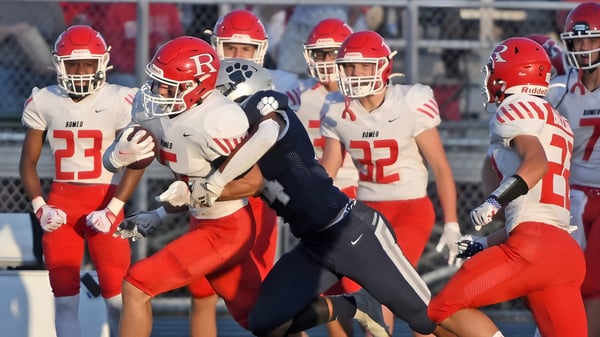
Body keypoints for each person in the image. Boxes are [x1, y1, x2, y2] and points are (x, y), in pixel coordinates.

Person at [102, 36, 266, 337]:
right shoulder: (162, 110)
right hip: (203, 223)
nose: (156, 92)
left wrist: (195, 193)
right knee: (262, 318)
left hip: (227, 230)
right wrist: (158, 214)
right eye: (155, 81)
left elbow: (254, 182)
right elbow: (188, 182)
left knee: (137, 284)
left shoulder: (216, 119)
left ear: (198, 86)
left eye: (166, 85)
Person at [427, 36, 587, 337]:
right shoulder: (558, 120)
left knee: (438, 313)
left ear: (509, 73)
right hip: (564, 253)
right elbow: (536, 215)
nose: (488, 78)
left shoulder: (514, 108)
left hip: (531, 248)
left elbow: (536, 164)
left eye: (493, 70)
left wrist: (494, 201)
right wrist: (483, 244)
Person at [319, 30, 462, 337]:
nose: (354, 73)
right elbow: (328, 168)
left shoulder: (410, 101)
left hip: (411, 209)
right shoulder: (335, 108)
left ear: (382, 66)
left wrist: (452, 223)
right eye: (349, 66)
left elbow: (440, 166)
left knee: (382, 290)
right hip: (365, 211)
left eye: (363, 66)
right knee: (358, 289)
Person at [18, 25, 142, 337]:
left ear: (102, 64)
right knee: (64, 301)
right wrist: (40, 207)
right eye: (74, 65)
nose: (81, 72)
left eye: (88, 64)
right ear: (60, 65)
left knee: (117, 299)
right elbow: (27, 164)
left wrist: (113, 209)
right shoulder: (45, 100)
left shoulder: (120, 99)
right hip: (61, 206)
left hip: (105, 204)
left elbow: (138, 161)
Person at [298, 17, 360, 337]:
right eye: (320, 55)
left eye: (333, 54)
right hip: (316, 197)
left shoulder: (361, 95)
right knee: (327, 288)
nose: (326, 62)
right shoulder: (298, 96)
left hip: (354, 193)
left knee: (362, 287)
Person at [545, 3, 600, 336]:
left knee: (593, 281)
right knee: (565, 280)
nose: (582, 49)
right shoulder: (557, 90)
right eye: (577, 42)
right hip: (572, 198)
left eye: (590, 40)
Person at [209, 9, 301, 110]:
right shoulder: (204, 82)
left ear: (261, 50)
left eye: (246, 49)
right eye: (230, 48)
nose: (238, 56)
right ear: (216, 46)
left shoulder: (282, 83)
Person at [0, 2, 65, 118]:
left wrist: (49, 62)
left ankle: (54, 122)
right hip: (9, 67)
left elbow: (60, 40)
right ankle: (13, 124)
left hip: (45, 70)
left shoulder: (50, 6)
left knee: (63, 82)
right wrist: (12, 30)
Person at [100, 2, 183, 87]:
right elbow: (114, 48)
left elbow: (178, 40)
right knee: (131, 84)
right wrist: (135, 67)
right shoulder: (118, 9)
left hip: (163, 69)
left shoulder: (167, 7)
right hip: (129, 72)